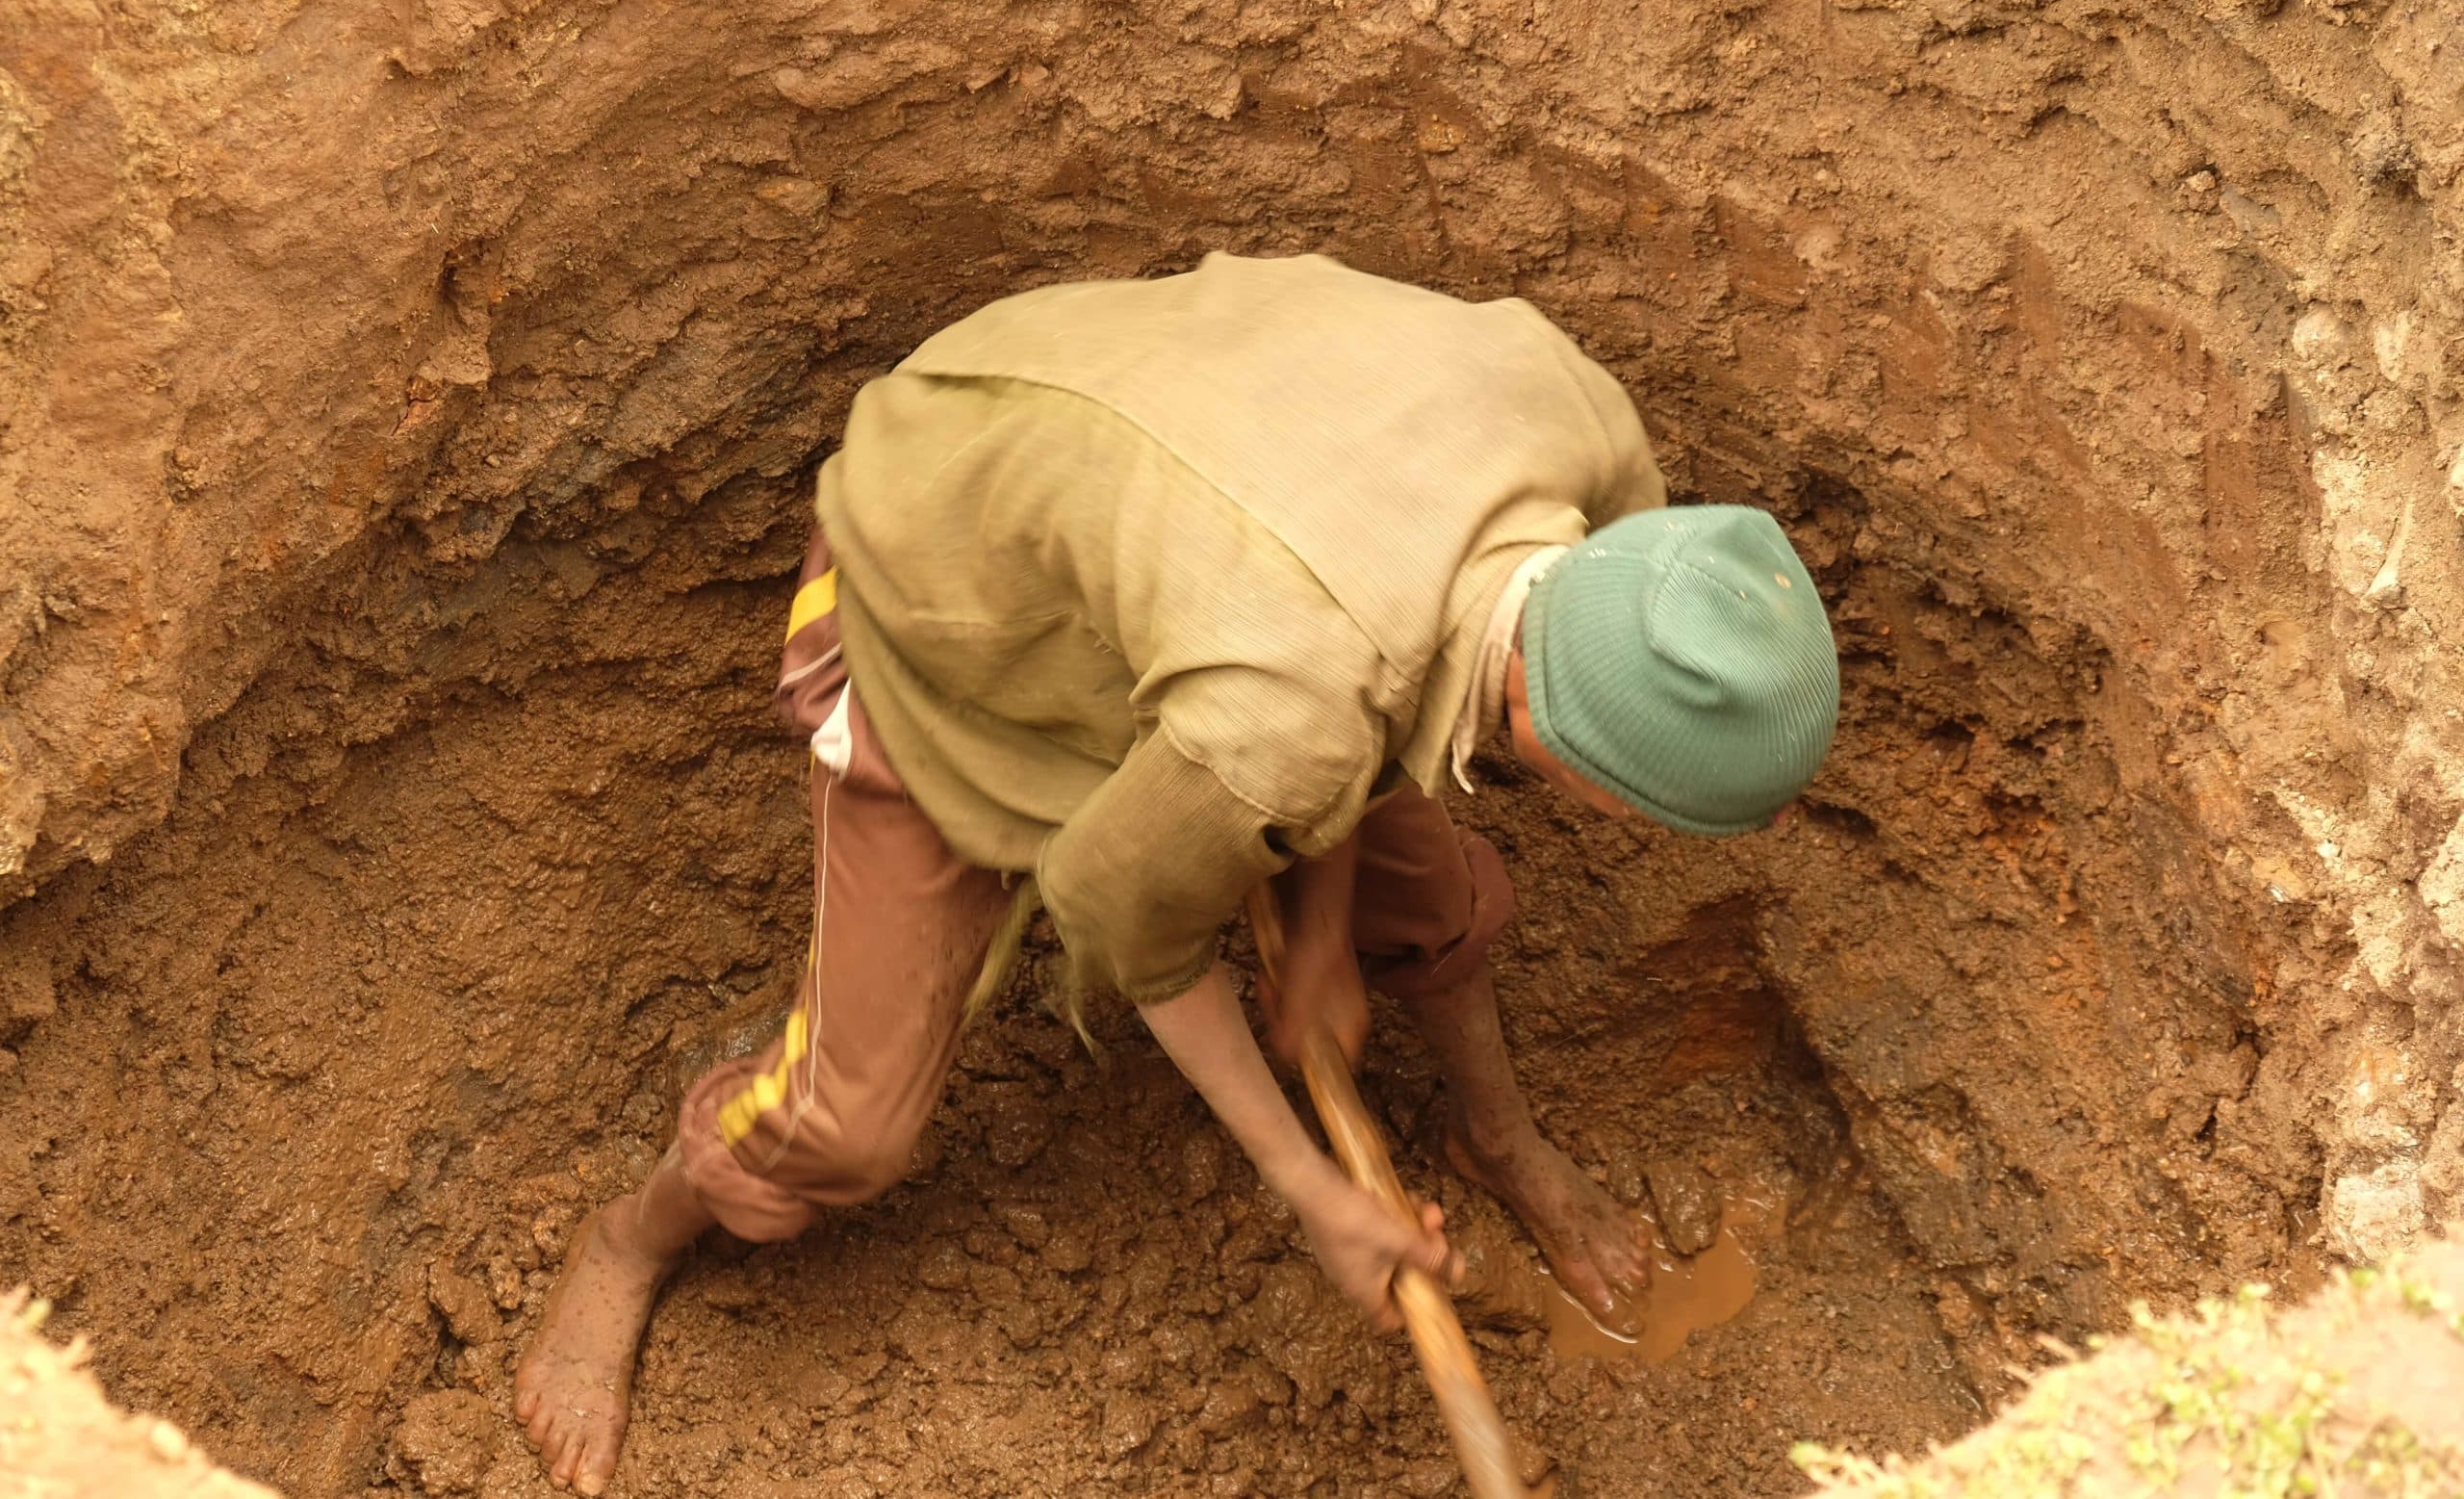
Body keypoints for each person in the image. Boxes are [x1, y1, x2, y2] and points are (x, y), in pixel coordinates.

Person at [514, 252, 1840, 1493]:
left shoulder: (1606, 474)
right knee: (845, 1126)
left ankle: (1505, 1141)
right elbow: (1124, 931)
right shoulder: (1280, 726)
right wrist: (1313, 1186)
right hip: (948, 599)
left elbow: (1356, 692)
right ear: (1561, 736)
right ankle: (635, 1236)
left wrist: (1322, 936)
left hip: (1197, 567)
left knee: (1428, 906)